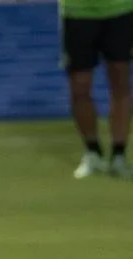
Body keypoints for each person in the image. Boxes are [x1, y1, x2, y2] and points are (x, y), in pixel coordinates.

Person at [60, 0, 133, 178]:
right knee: (79, 87)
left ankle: (118, 155)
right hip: (76, 13)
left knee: (120, 82)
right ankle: (92, 152)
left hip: (120, 9)